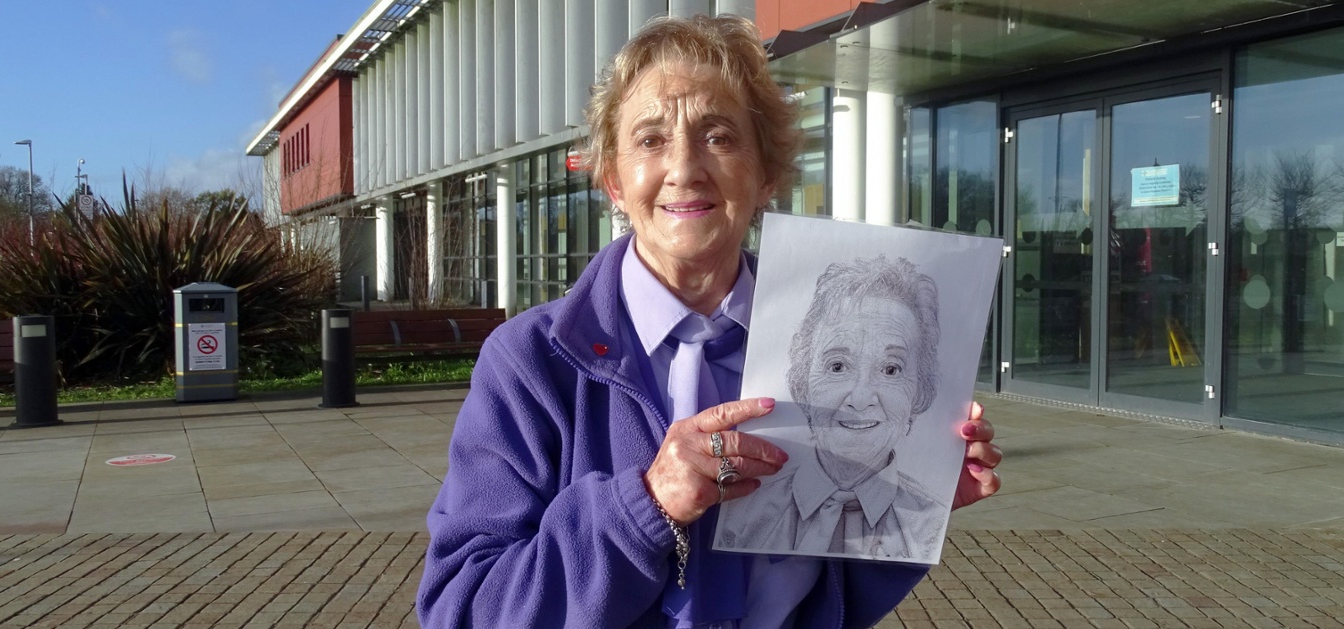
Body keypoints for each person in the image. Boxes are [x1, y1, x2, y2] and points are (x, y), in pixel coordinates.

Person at [416, 14, 1001, 628]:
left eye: (718, 136)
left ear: (766, 172)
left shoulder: (819, 343)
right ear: (614, 180)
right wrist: (647, 504)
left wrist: (913, 496)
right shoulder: (531, 363)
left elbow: (831, 598)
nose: (684, 168)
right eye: (649, 139)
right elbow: (462, 609)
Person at [717, 256, 949, 561]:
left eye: (891, 369)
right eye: (837, 366)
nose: (861, 397)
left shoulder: (931, 525)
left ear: (920, 389)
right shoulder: (740, 519)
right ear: (803, 380)